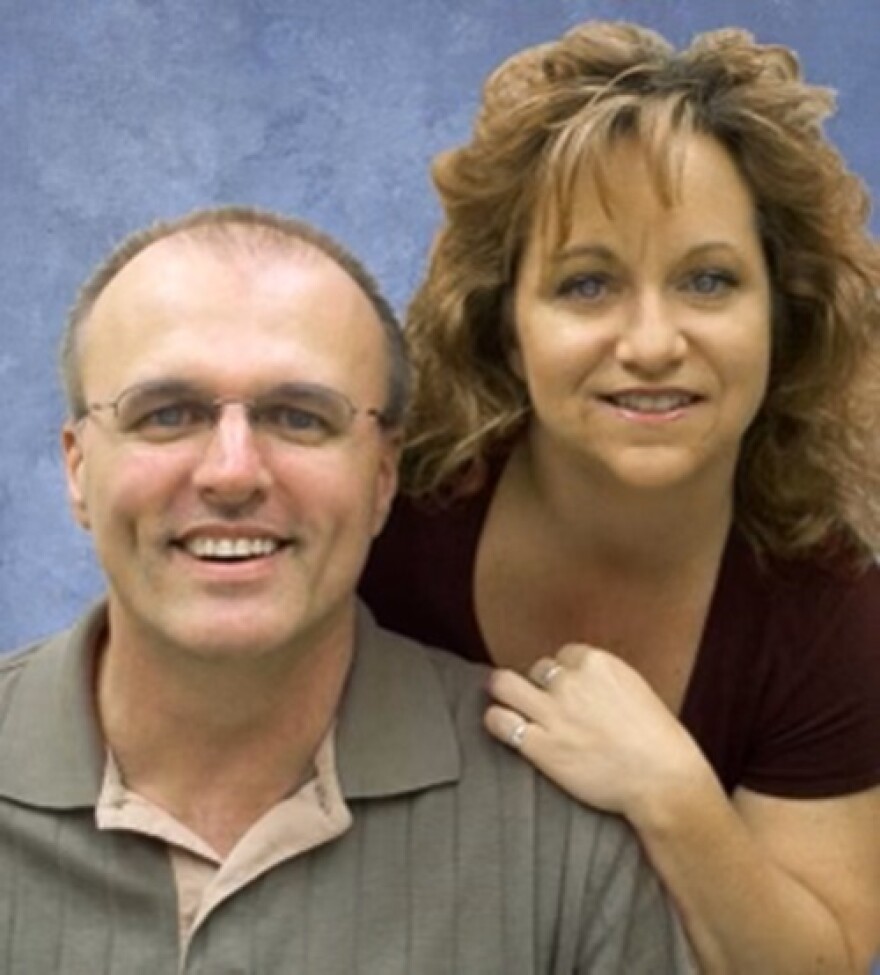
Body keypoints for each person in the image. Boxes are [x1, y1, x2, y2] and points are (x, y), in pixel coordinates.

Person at [0, 205, 694, 974]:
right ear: (76, 468)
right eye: (167, 414)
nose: (232, 472)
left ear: (383, 475)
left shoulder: (565, 839)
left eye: (300, 416)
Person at [360, 21, 880, 975]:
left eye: (709, 280)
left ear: (787, 314)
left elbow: (825, 963)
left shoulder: (827, 607)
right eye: (587, 283)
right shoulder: (385, 531)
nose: (650, 342)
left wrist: (670, 789)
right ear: (505, 325)